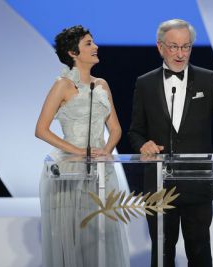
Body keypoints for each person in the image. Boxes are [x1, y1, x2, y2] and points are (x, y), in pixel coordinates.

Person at [128, 19, 213, 267]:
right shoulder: (145, 83)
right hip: (159, 185)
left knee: (199, 252)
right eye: (174, 47)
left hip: (197, 183)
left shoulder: (208, 80)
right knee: (162, 254)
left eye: (186, 47)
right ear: (160, 47)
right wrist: (143, 145)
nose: (180, 53)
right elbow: (135, 132)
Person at [35, 25, 129, 267]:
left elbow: (116, 129)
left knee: (100, 235)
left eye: (93, 42)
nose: (95, 46)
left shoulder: (102, 85)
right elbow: (41, 130)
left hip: (100, 169)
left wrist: (106, 152)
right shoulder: (62, 85)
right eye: (88, 43)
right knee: (73, 234)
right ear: (72, 53)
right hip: (69, 170)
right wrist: (79, 152)